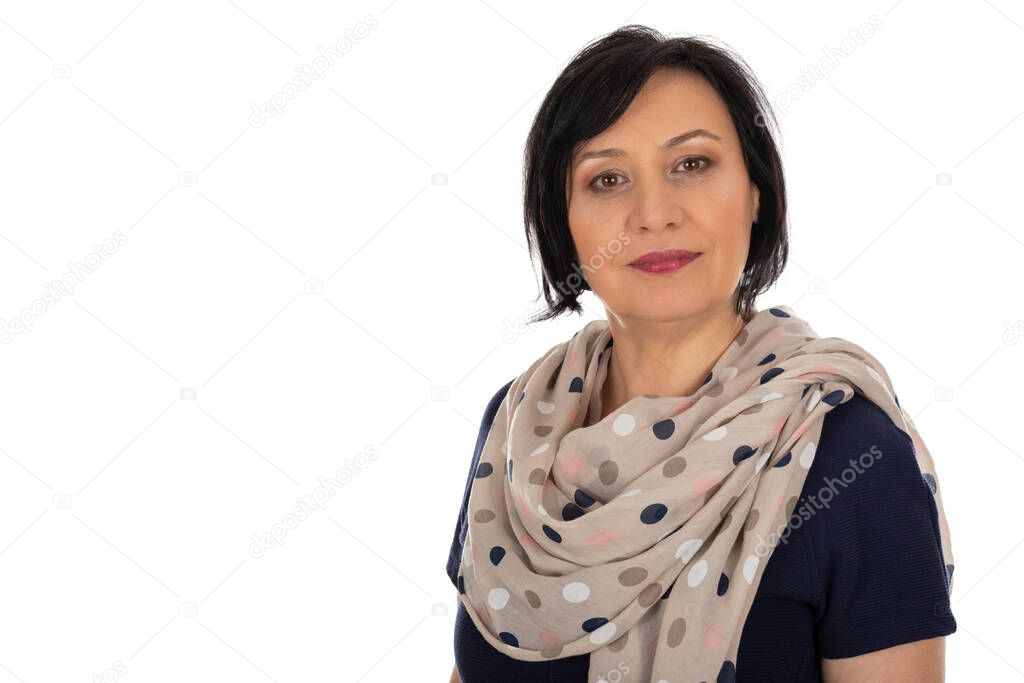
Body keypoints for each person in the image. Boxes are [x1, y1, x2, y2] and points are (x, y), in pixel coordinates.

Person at [446, 25, 955, 683]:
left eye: (691, 164)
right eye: (607, 178)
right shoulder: (520, 426)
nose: (654, 213)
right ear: (562, 221)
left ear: (755, 193)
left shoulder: (852, 456)